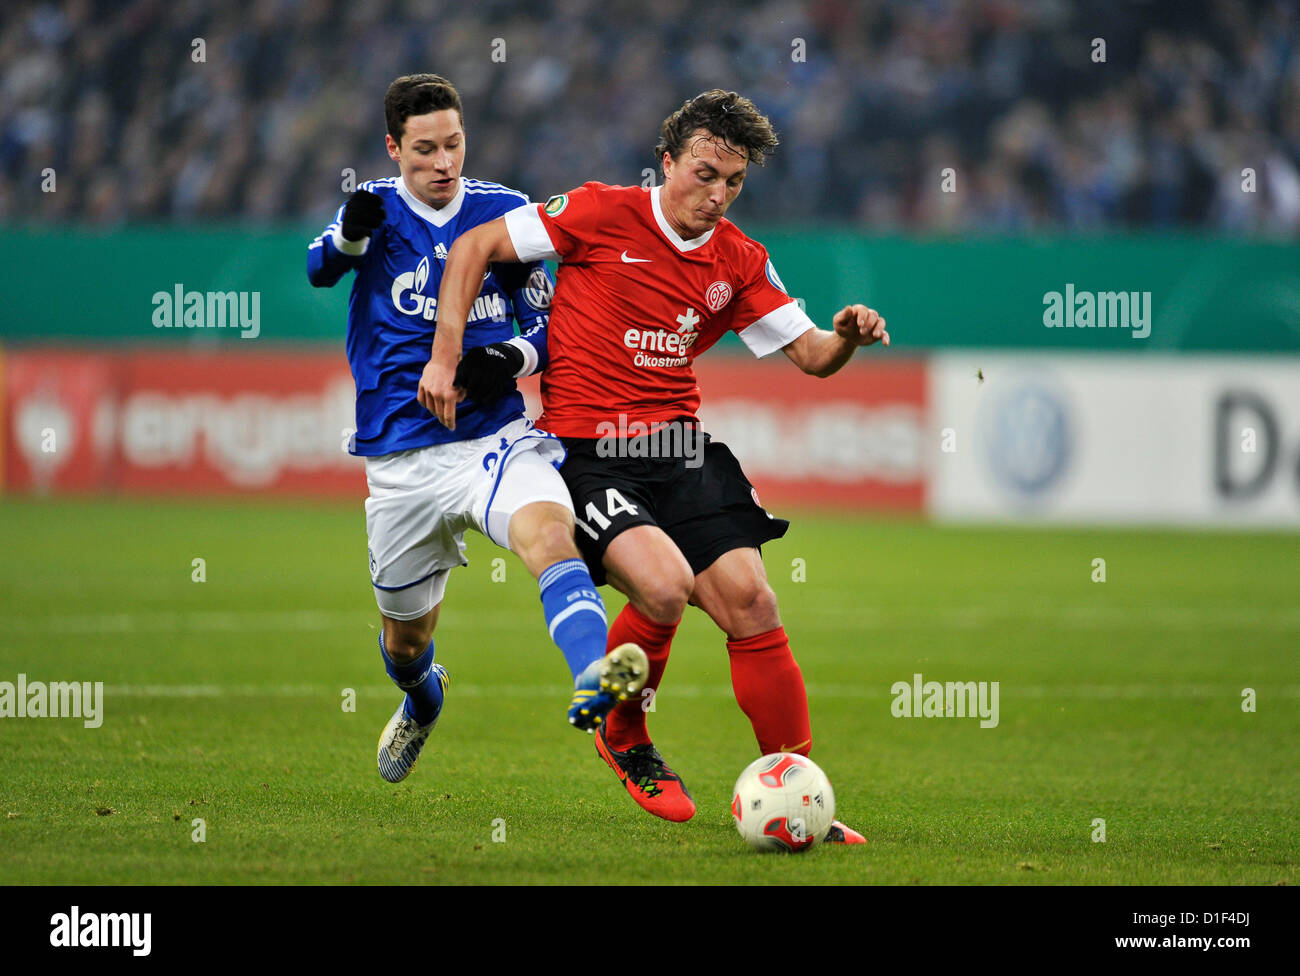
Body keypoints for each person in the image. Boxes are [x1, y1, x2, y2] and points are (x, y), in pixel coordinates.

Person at [422, 90, 886, 843]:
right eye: (705, 174)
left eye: (733, 182)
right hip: (588, 452)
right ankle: (625, 734)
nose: (718, 194)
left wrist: (847, 337)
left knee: (752, 600)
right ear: (666, 162)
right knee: (665, 587)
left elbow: (811, 356)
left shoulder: (739, 260)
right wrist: (446, 357)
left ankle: (801, 791)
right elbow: (476, 245)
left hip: (677, 447)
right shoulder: (600, 213)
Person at [307, 73, 647, 785]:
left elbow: (555, 327)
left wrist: (507, 358)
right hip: (400, 459)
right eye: (425, 149)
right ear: (394, 149)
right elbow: (320, 267)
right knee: (406, 646)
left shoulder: (504, 215)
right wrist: (349, 232)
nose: (443, 162)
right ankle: (424, 700)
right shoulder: (372, 210)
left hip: (493, 438)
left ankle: (597, 678)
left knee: (551, 534)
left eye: (454, 144)